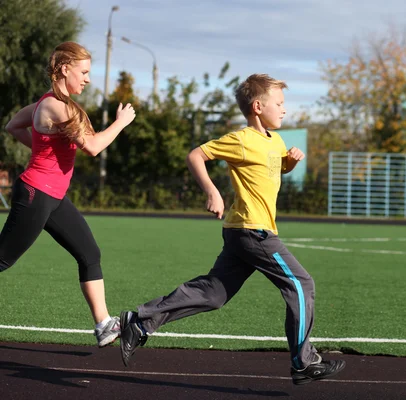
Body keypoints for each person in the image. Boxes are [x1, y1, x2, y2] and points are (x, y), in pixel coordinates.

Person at [119, 73, 346, 385]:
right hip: (254, 232)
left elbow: (272, 168)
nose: (284, 110)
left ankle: (140, 322)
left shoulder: (275, 140)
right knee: (301, 284)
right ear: (257, 106)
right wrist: (212, 192)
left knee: (214, 295)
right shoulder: (240, 140)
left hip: (244, 232)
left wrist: (290, 162)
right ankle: (303, 362)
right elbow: (196, 155)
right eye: (278, 103)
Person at [1, 41, 136, 347]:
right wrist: (121, 122)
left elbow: (13, 126)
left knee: (90, 254)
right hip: (36, 193)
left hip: (54, 197)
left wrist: (44, 150)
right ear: (64, 69)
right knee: (3, 259)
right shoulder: (53, 106)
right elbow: (93, 146)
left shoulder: (53, 105)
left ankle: (103, 325)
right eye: (84, 72)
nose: (87, 79)